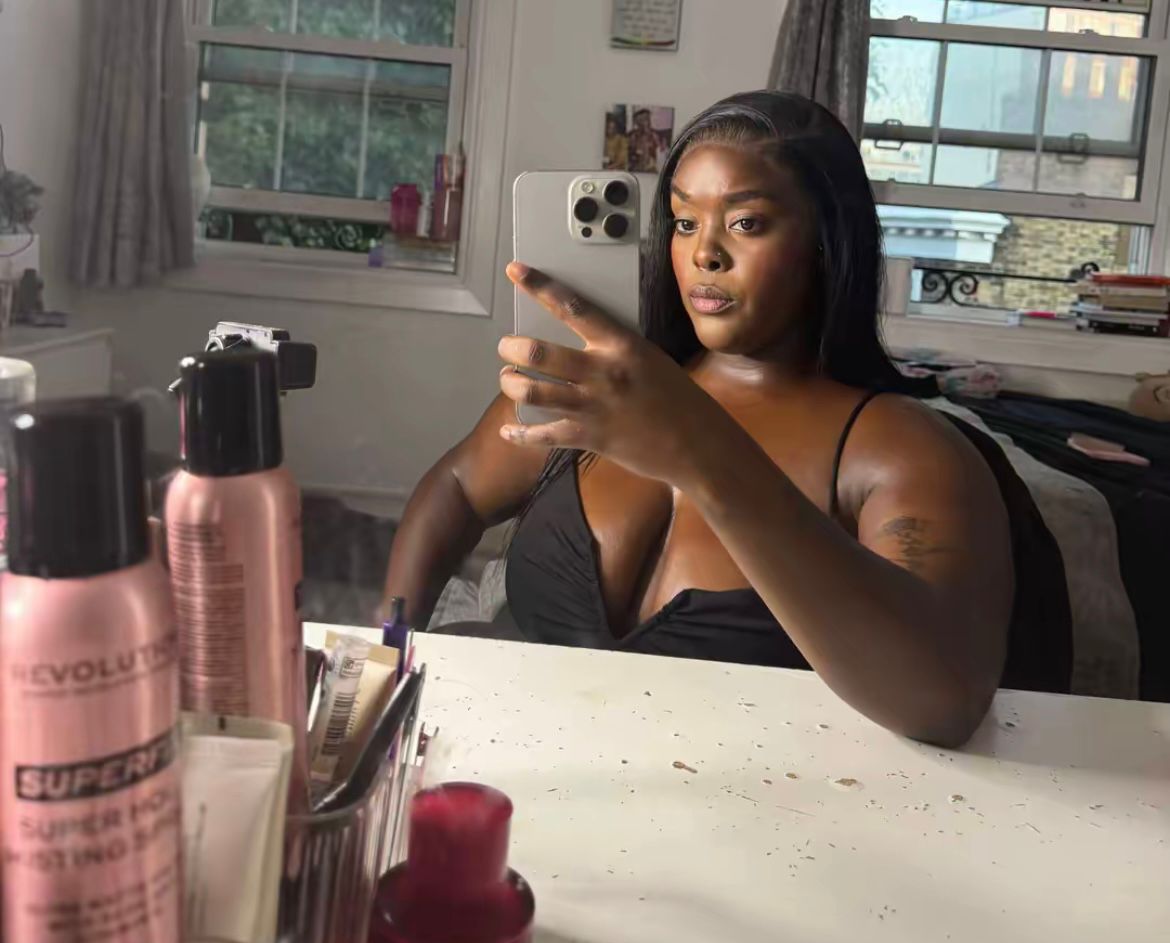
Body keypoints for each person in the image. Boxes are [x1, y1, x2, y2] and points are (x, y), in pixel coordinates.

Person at [382, 91, 1070, 748]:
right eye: (685, 222)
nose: (705, 253)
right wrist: (389, 655)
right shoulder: (598, 389)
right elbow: (457, 486)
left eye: (746, 223)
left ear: (825, 242)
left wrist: (702, 455)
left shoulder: (899, 448)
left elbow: (945, 699)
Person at [627, 108, 659, 172]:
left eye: (647, 119)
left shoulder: (653, 135)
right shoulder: (632, 135)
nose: (646, 122)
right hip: (635, 168)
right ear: (637, 122)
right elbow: (629, 152)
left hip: (650, 168)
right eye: (642, 120)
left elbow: (658, 152)